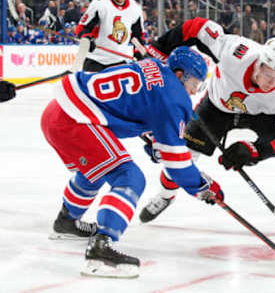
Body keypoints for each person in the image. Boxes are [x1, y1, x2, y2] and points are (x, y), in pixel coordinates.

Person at [138, 17, 275, 232]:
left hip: (262, 115)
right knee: (184, 154)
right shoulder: (235, 52)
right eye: (269, 72)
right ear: (260, 63)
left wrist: (254, 151)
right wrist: (159, 50)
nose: (272, 81)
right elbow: (198, 27)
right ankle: (165, 196)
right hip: (217, 107)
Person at [37, 47, 224, 278]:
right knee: (129, 177)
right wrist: (202, 186)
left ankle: (67, 221)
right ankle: (101, 248)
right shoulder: (174, 97)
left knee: (97, 168)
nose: (195, 92)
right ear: (178, 75)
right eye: (194, 83)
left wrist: (155, 139)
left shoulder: (153, 68)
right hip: (76, 120)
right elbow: (177, 164)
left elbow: (133, 105)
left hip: (57, 112)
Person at [76, 0, 145, 72]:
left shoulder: (135, 8)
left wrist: (139, 53)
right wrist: (87, 39)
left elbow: (137, 35)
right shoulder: (100, 4)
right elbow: (83, 27)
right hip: (96, 58)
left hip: (119, 60)